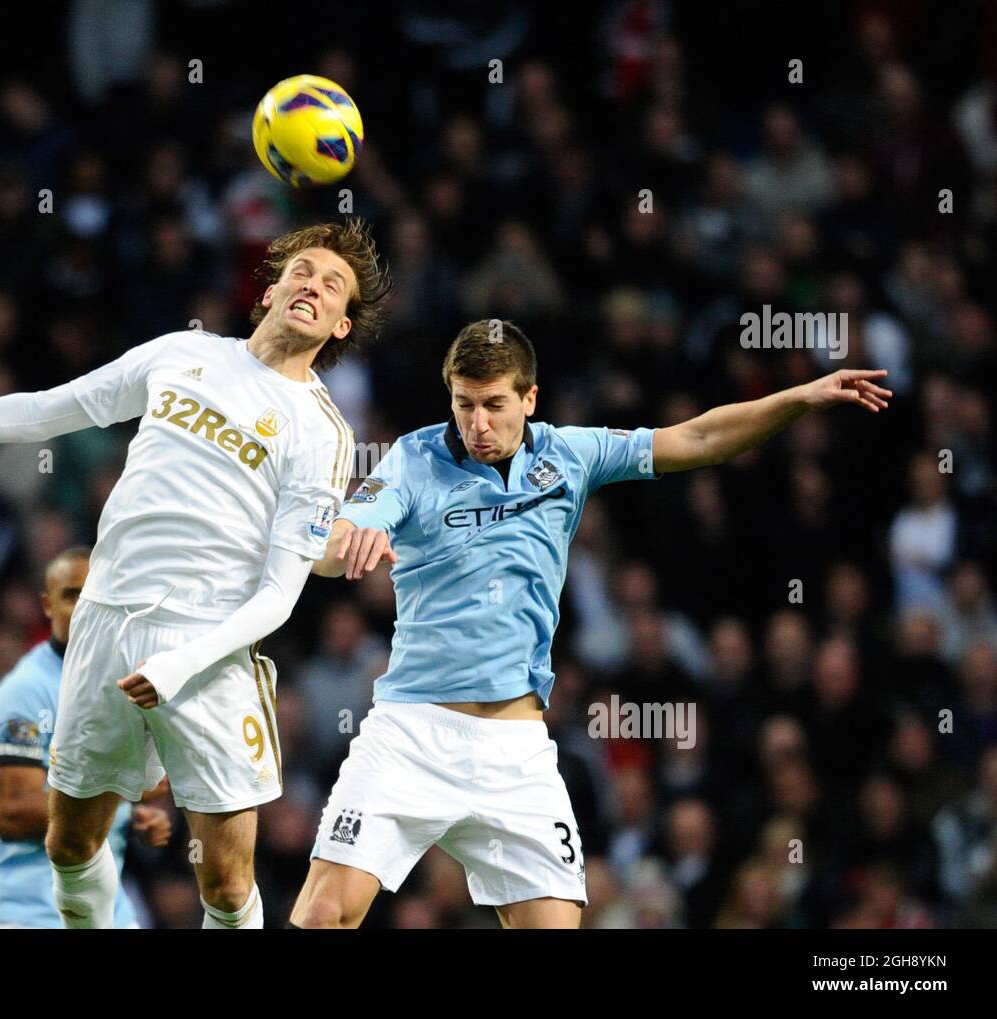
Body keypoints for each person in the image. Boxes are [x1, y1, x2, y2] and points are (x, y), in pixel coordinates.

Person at [0, 218, 392, 929]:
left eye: (332, 284)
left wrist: (181, 664)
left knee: (223, 880)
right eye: (303, 271)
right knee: (70, 842)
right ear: (272, 287)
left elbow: (281, 593)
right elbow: (45, 412)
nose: (313, 285)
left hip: (207, 643)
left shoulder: (322, 431)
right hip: (105, 617)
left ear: (342, 326)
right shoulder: (182, 353)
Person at [292, 318, 892, 929]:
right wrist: (346, 541)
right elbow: (335, 540)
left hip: (516, 750)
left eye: (494, 405)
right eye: (464, 404)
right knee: (323, 914)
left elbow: (700, 439)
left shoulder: (569, 454)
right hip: (411, 734)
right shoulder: (410, 460)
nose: (477, 424)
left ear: (529, 398)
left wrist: (798, 399)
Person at [0, 547, 172, 929]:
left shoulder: (128, 678)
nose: (83, 607)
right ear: (46, 605)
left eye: (93, 594)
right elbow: (11, 811)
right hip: (21, 914)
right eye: (71, 595)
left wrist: (132, 816)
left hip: (102, 911)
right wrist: (122, 792)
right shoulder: (26, 689)